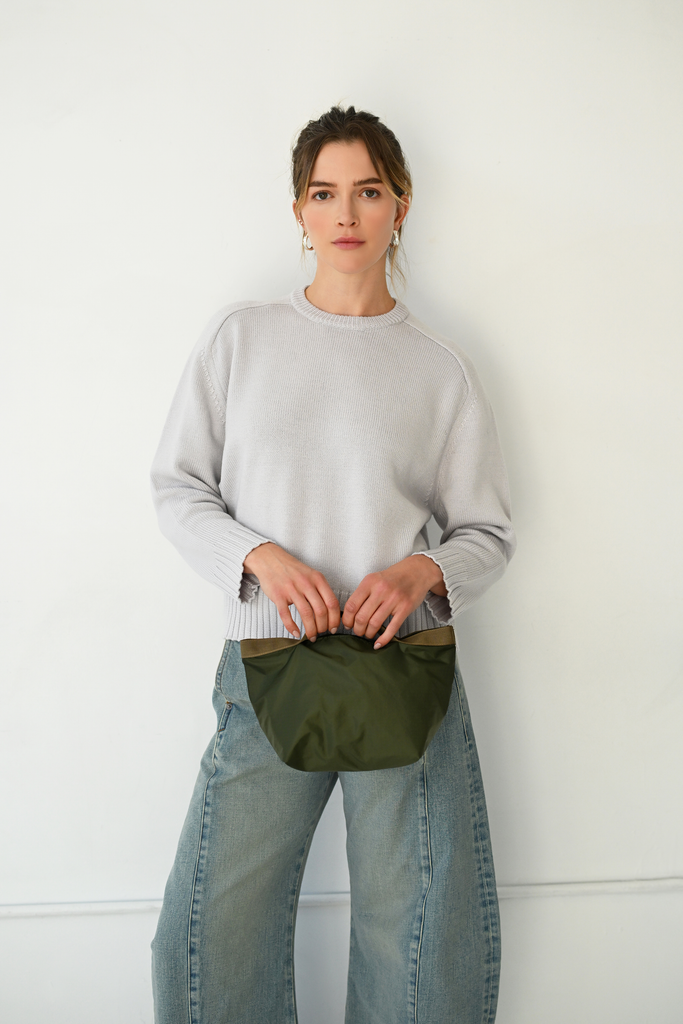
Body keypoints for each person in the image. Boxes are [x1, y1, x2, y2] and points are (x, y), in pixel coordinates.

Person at [149, 104, 516, 1024]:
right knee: (207, 939)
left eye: (367, 191)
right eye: (323, 193)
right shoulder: (241, 339)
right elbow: (178, 488)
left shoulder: (439, 369)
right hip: (267, 665)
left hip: (404, 671)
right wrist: (258, 557)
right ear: (299, 212)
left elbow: (486, 532)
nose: (344, 212)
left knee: (419, 943)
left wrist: (422, 574)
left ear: (400, 206)